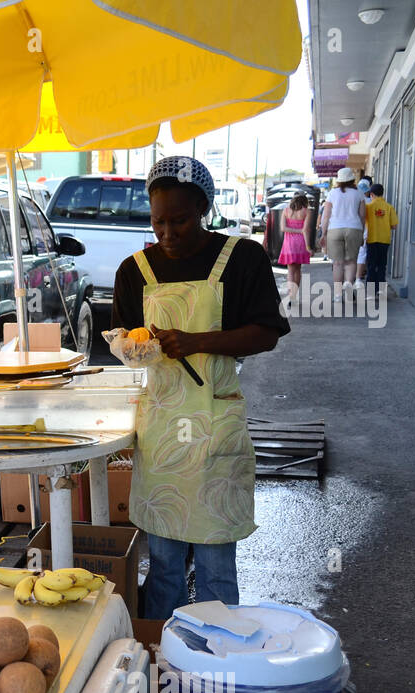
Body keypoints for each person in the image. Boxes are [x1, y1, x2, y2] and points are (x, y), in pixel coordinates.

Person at [112, 156, 291, 621]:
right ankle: (162, 652)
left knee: (215, 562)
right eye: (158, 222)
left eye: (180, 221)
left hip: (216, 421)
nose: (167, 234)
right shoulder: (135, 270)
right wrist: (138, 348)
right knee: (166, 561)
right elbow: (121, 340)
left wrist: (197, 342)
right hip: (162, 427)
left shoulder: (242, 257)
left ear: (204, 209)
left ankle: (219, 658)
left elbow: (266, 333)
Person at [318, 167, 366, 299]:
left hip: (335, 229)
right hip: (354, 228)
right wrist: (361, 233)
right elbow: (362, 216)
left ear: (339, 180)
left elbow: (326, 216)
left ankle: (338, 295)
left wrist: (323, 233)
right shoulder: (359, 194)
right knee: (351, 262)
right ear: (352, 179)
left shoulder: (332, 193)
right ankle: (348, 286)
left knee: (337, 263)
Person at [277, 192, 313, 311]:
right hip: (301, 244)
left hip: (289, 244)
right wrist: (308, 246)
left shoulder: (286, 211)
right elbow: (306, 230)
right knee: (298, 269)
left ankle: (291, 297)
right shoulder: (307, 211)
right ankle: (295, 296)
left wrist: (294, 231)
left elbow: (283, 228)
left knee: (290, 271)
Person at [363, 183, 398, 294]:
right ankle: (381, 290)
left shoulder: (368, 207)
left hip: (372, 239)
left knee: (371, 265)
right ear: (382, 193)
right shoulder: (389, 207)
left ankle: (370, 290)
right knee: (382, 265)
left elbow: (362, 221)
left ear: (372, 194)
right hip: (384, 240)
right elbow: (394, 226)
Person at [354, 177, 373, 288]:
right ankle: (357, 278)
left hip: (352, 230)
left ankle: (349, 278)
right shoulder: (370, 202)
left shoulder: (354, 200)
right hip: (365, 232)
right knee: (362, 255)